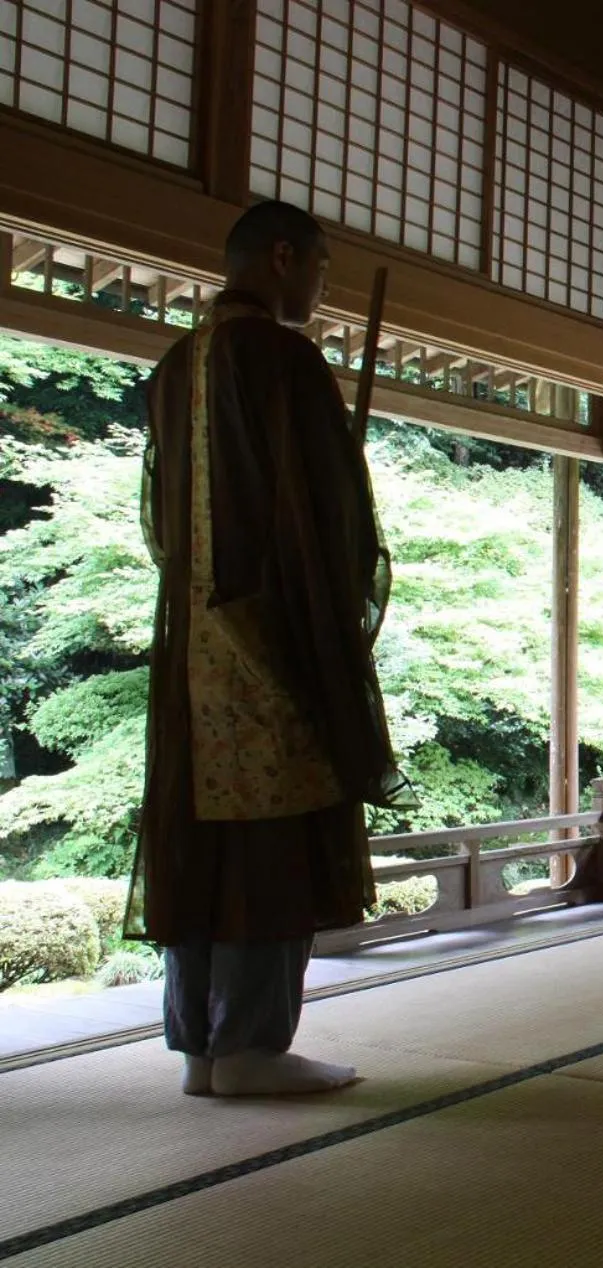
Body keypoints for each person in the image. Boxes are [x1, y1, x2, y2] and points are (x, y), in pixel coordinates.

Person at [128, 200, 413, 1096]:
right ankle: (253, 1045)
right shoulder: (284, 360)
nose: (323, 290)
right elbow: (329, 520)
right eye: (321, 270)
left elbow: (160, 523)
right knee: (275, 835)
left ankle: (200, 1051)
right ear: (281, 258)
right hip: (268, 642)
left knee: (202, 836)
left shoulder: (175, 369)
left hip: (191, 650)